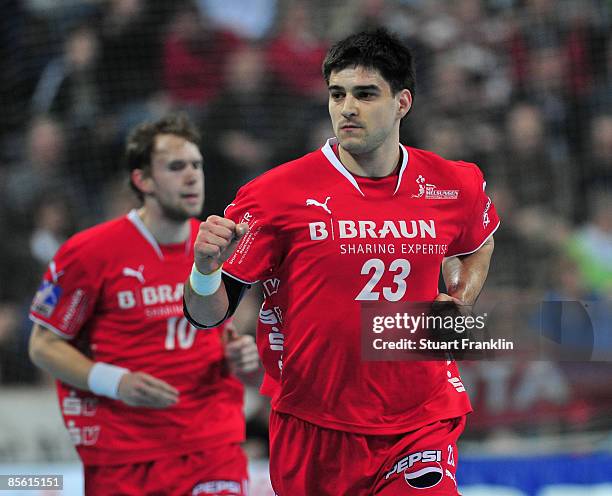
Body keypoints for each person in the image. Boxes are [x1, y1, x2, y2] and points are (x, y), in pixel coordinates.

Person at [184, 29, 499, 495]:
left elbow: (478, 241)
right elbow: (206, 315)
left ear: (403, 103)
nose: (347, 107)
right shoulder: (274, 195)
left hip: (421, 417)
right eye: (337, 93)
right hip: (313, 422)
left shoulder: (455, 183)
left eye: (366, 94)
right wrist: (204, 269)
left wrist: (459, 300)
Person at [28, 114, 259, 496]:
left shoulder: (219, 245)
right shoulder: (89, 253)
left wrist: (245, 359)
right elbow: (43, 344)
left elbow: (241, 355)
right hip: (125, 455)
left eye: (197, 165)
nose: (192, 176)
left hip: (212, 446)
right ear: (142, 180)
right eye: (176, 166)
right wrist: (116, 382)